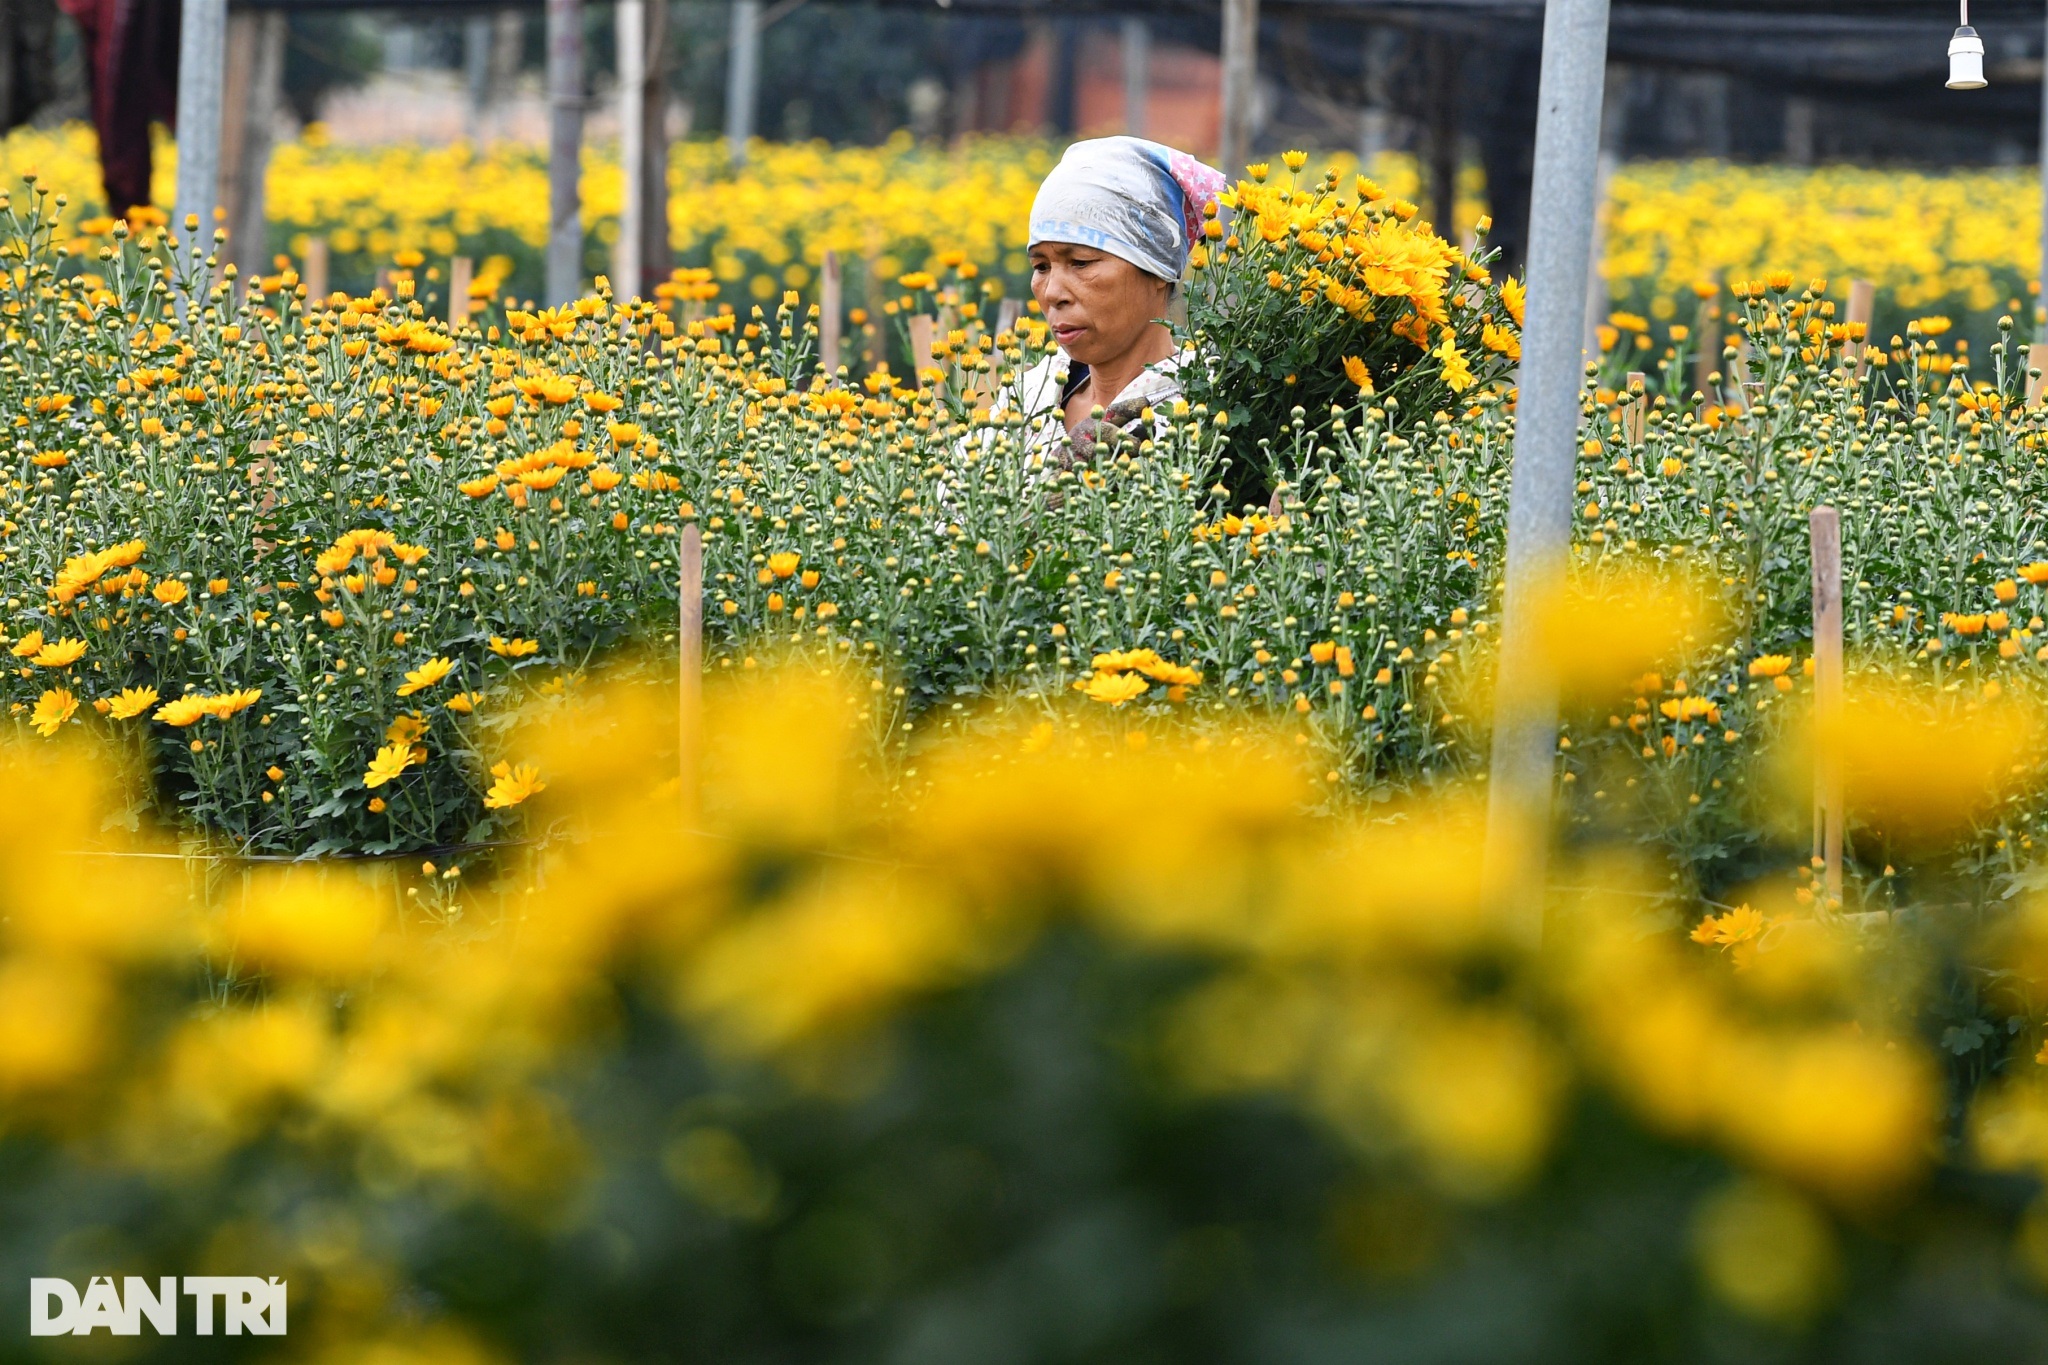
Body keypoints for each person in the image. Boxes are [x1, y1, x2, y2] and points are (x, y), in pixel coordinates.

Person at [1004, 137, 1227, 467]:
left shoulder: (1202, 414)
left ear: (1159, 270)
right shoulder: (1026, 398)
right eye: (1041, 267)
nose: (1052, 292)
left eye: (1081, 262)